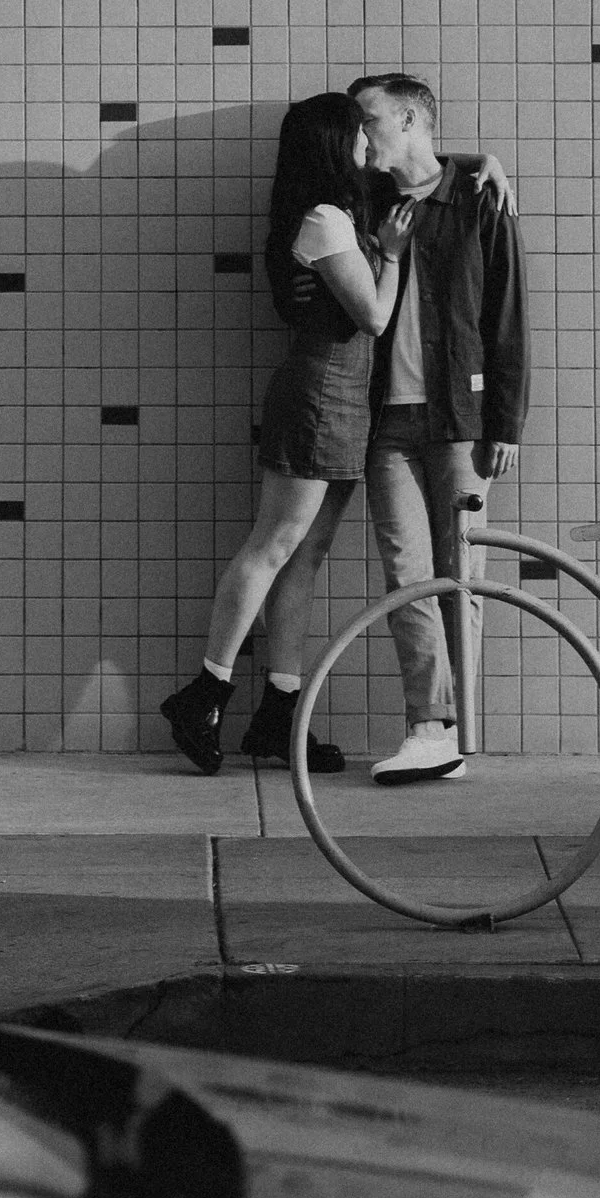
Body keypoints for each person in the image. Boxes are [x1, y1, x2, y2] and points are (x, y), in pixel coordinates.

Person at [158, 92, 396, 776]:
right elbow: (374, 315)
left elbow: (425, 168)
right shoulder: (323, 219)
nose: (365, 144)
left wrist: (486, 165)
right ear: (332, 143)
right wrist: (397, 255)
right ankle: (205, 691)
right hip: (320, 393)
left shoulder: (341, 213)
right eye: (357, 134)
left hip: (345, 397)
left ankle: (279, 711)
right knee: (273, 544)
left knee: (305, 554)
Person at [352, 68, 532, 783]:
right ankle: (431, 725)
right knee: (407, 574)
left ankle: (455, 735)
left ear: (409, 123)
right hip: (386, 423)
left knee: (462, 575)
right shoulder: (368, 200)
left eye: (369, 121)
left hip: (462, 419)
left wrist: (506, 419)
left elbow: (508, 314)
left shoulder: (479, 198)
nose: (360, 134)